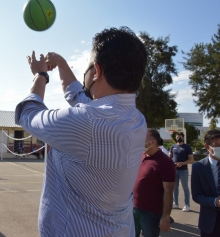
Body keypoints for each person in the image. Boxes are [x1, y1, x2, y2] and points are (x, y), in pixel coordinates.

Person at [15, 27, 147, 236]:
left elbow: (29, 114)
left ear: (97, 71)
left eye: (88, 68)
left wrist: (40, 75)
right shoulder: (136, 119)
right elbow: (78, 96)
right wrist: (60, 63)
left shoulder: (86, 122)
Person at [133, 129, 176, 236]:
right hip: (133, 209)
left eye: (142, 139)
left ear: (152, 142)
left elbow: (168, 191)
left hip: (150, 213)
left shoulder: (165, 162)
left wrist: (166, 216)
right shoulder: (141, 155)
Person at [191, 129, 220, 236]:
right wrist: (214, 202)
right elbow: (196, 195)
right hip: (209, 223)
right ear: (207, 146)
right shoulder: (198, 167)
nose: (219, 148)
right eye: (216, 145)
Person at [169, 132, 194, 212]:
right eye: (177, 137)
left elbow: (191, 159)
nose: (178, 138)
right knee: (175, 187)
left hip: (183, 170)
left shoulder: (187, 147)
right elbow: (170, 157)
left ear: (183, 138)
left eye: (180, 136)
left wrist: (182, 163)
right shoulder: (173, 146)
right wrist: (172, 164)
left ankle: (187, 205)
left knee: (185, 187)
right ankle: (175, 203)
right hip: (174, 170)